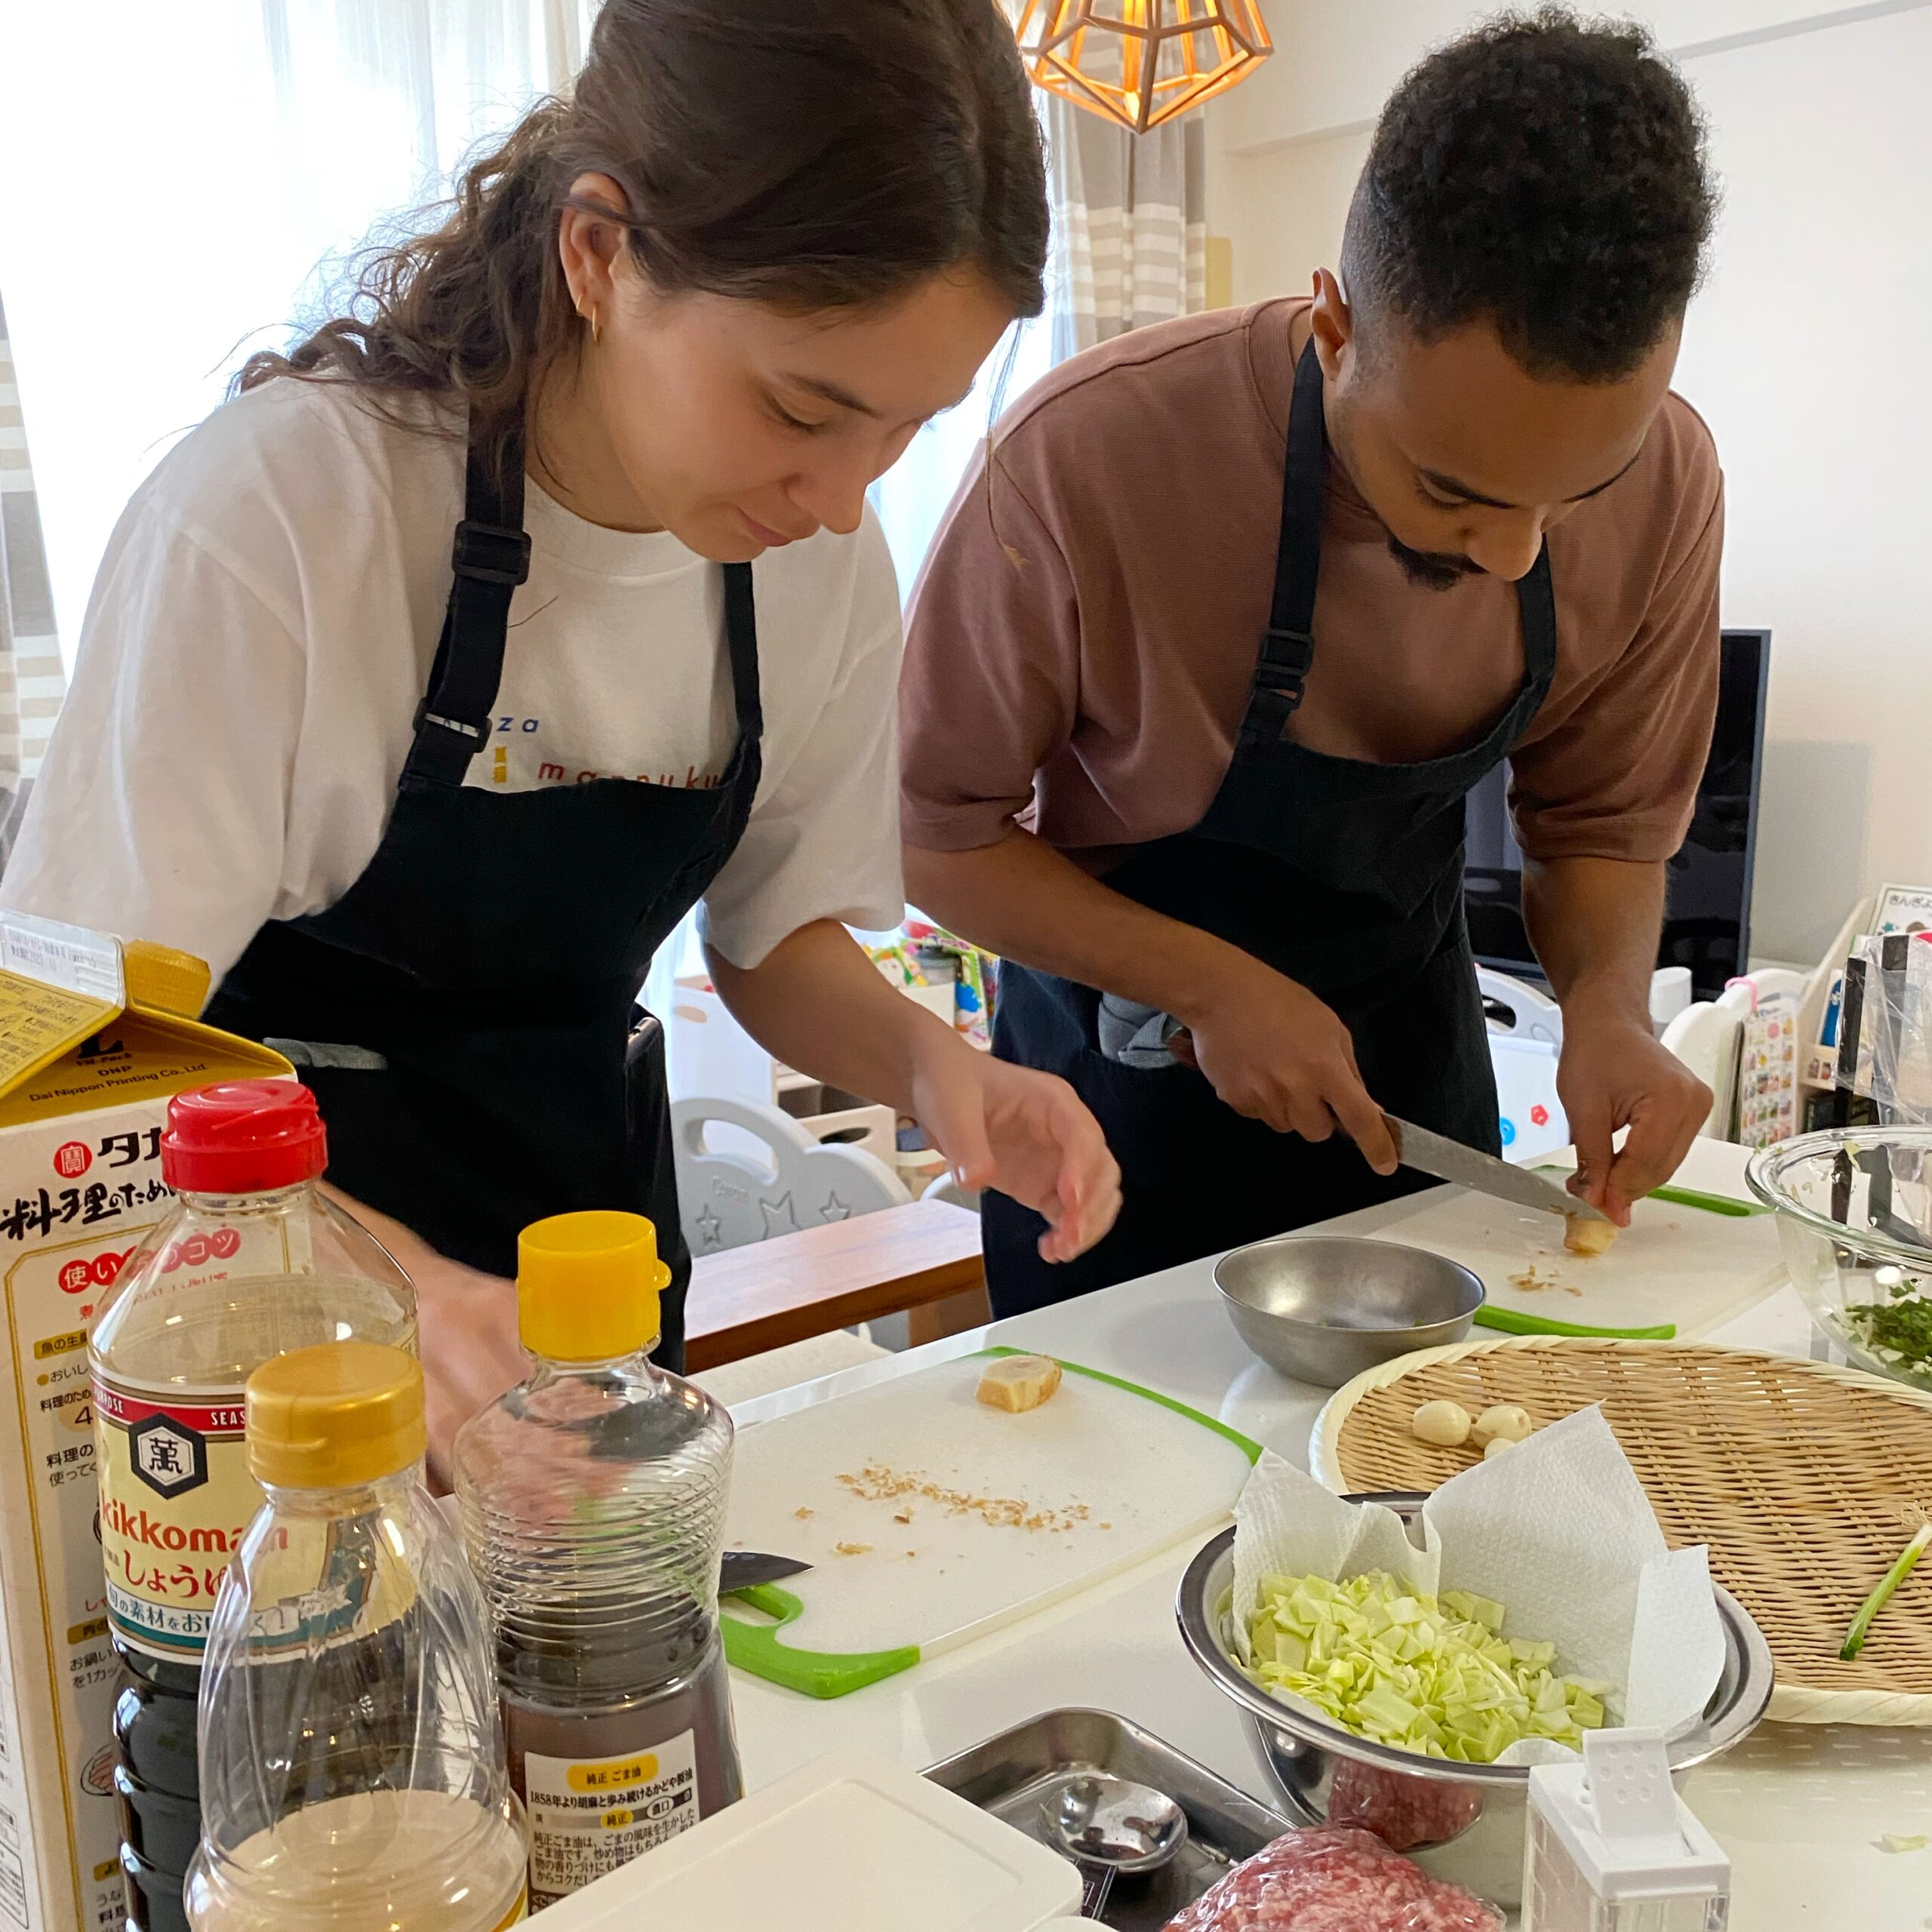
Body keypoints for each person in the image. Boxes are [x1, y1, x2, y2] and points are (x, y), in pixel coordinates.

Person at [3, 0, 1119, 1460]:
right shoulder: (287, 520)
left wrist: (933, 1068)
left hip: (587, 1281)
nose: (845, 498)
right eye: (802, 408)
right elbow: (70, 1060)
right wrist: (393, 1293)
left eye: (905, 430)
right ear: (598, 251)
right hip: (243, 1350)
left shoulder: (815, 565)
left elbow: (773, 940)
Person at [899, 11, 1721, 1316]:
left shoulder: (1669, 477)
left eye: (1576, 495)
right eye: (1452, 491)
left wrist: (1611, 1010)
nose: (1512, 556)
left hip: (1410, 1078)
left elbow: (1606, 826)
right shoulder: (1088, 465)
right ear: (1334, 327)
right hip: (1120, 1121)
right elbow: (931, 837)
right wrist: (1205, 982)